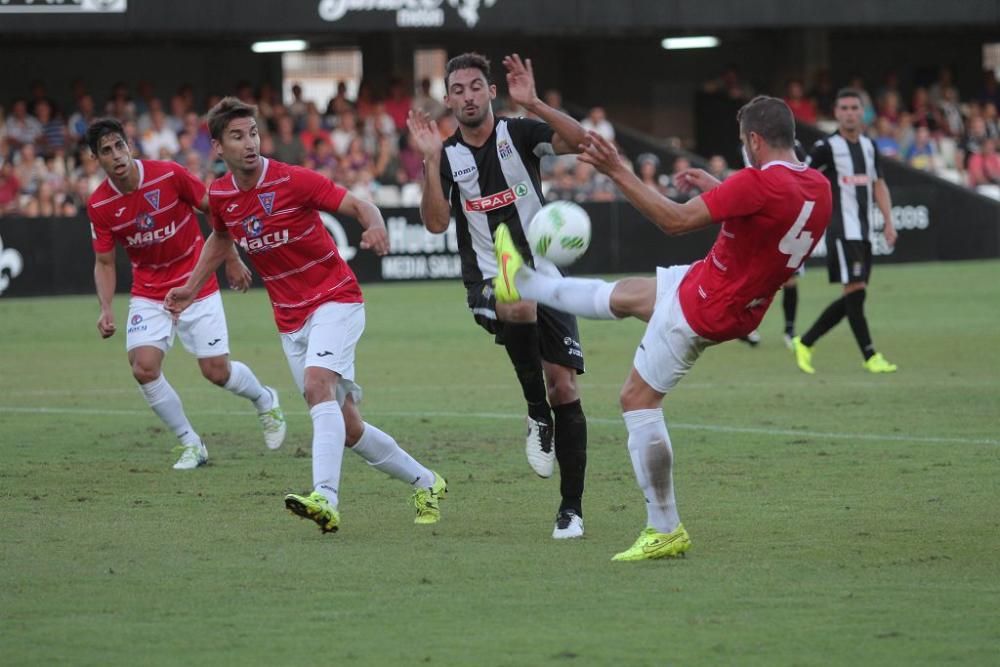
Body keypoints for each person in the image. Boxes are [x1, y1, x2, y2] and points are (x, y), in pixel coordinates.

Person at [491, 95, 832, 561]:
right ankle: (526, 280)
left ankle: (664, 525)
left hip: (706, 304)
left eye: (742, 142)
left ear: (754, 139)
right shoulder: (817, 186)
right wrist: (717, 187)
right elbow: (771, 216)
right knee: (627, 295)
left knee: (636, 399)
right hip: (723, 289)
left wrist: (615, 170)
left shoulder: (758, 184)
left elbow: (675, 221)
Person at [164, 97, 446, 533]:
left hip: (336, 298)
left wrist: (375, 224)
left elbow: (358, 205)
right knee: (349, 429)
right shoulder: (219, 194)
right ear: (217, 147)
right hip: (290, 320)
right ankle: (427, 482)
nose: (249, 143)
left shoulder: (293, 180)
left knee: (318, 387)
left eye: (253, 132)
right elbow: (220, 238)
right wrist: (193, 283)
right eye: (237, 136)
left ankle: (325, 500)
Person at [407, 53, 590, 539]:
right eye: (457, 89)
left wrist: (535, 103)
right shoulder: (446, 155)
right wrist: (428, 161)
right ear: (448, 100)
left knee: (566, 389)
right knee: (517, 299)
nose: (467, 96)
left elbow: (578, 142)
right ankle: (536, 413)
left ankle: (571, 510)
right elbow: (435, 223)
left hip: (546, 273)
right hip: (488, 280)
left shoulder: (521, 133)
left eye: (475, 87)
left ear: (491, 91)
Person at [84, 118, 287, 470]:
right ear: (96, 159)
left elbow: (217, 211)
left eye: (120, 145)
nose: (116, 155)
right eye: (106, 151)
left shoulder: (169, 174)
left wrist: (232, 258)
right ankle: (191, 443)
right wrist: (105, 308)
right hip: (149, 291)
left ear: (129, 146)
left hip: (197, 282)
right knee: (143, 368)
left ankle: (265, 398)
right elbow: (104, 262)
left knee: (216, 372)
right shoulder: (100, 205)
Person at [793, 88, 899, 374]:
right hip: (842, 229)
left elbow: (878, 184)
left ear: (862, 112)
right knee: (854, 290)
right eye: (845, 108)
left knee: (856, 294)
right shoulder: (826, 147)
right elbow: (802, 178)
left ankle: (806, 341)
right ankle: (870, 355)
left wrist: (888, 221)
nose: (850, 113)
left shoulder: (869, 145)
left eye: (855, 108)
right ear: (836, 113)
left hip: (864, 231)